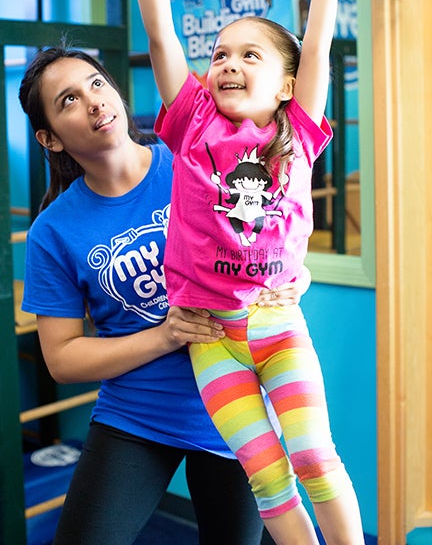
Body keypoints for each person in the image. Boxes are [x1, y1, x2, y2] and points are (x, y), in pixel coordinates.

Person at [95, 0, 365, 545]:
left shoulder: (296, 130)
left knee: (314, 458)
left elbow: (318, 45)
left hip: (277, 325)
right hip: (212, 337)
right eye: (219, 54)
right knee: (268, 479)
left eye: (250, 55)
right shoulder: (193, 123)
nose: (228, 64)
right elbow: (162, 37)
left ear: (286, 86)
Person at [19, 46, 310, 545]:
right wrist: (166, 335)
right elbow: (62, 359)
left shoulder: (194, 158)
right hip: (136, 415)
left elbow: (272, 237)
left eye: (96, 84)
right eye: (68, 99)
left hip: (238, 409)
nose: (93, 101)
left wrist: (292, 276)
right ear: (50, 138)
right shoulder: (53, 232)